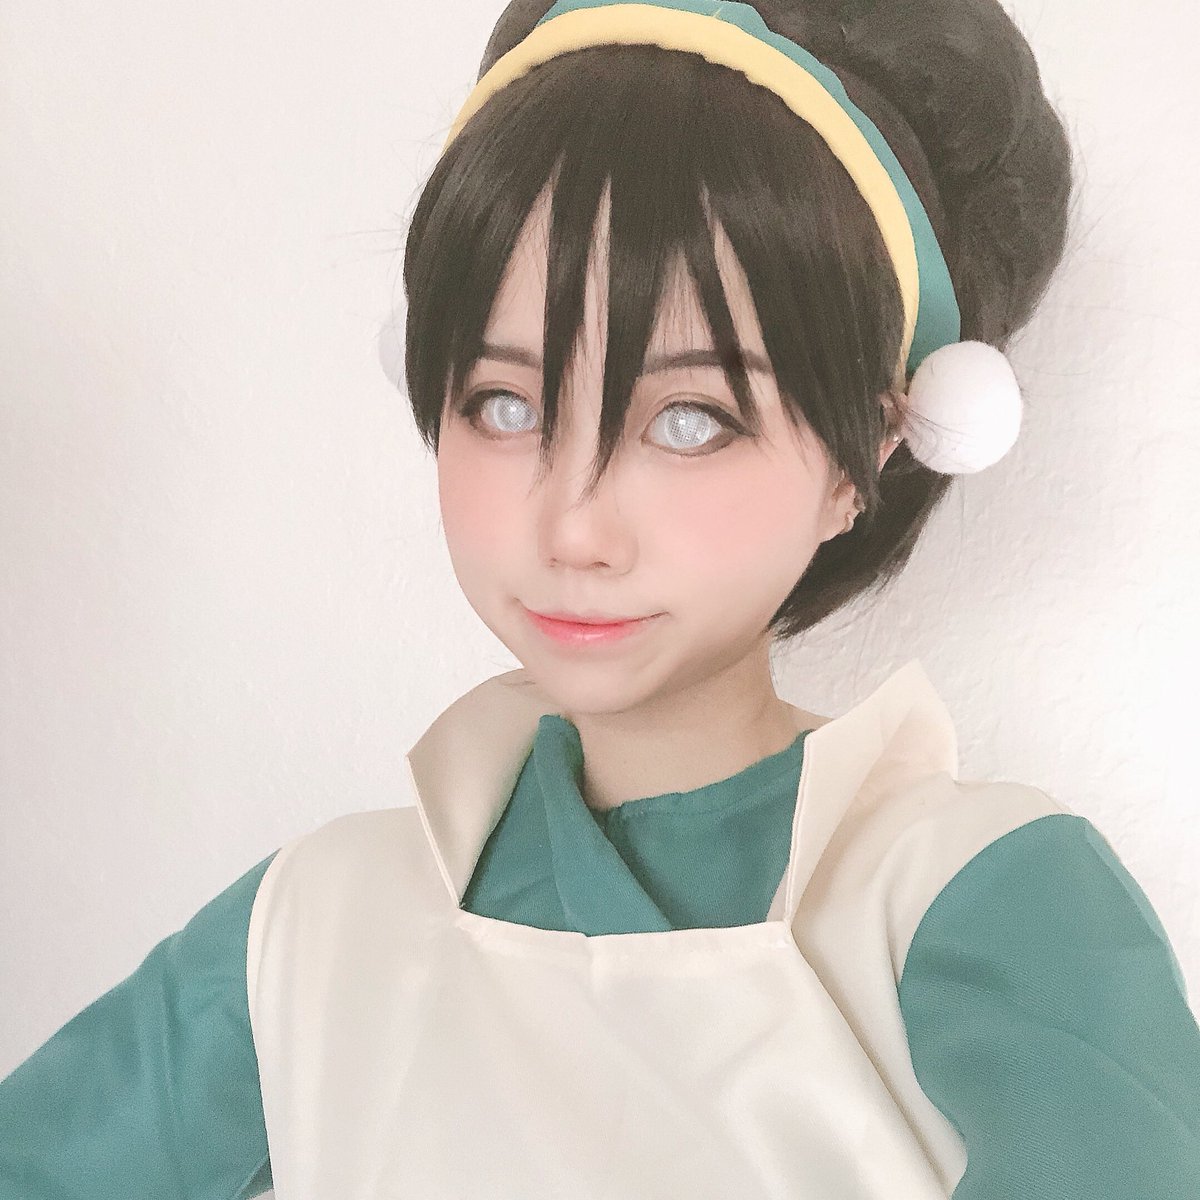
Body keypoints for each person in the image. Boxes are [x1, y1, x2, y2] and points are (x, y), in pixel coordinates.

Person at [4, 0, 1199, 1196]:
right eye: (507, 405)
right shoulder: (310, 927)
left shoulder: (980, 899)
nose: (573, 527)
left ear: (865, 455)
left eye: (691, 421)